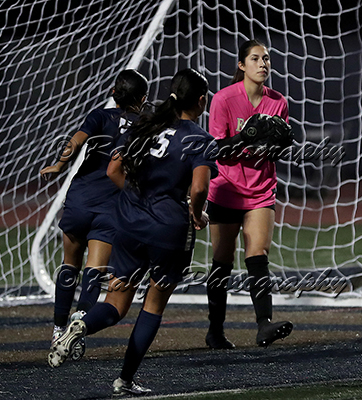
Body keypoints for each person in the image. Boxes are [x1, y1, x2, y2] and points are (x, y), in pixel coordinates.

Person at [48, 68, 217, 397]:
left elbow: (114, 169)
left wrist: (137, 199)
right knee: (153, 305)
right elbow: (199, 188)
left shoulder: (145, 125)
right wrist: (196, 214)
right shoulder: (199, 138)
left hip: (128, 222)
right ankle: (124, 380)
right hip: (168, 229)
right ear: (200, 101)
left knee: (116, 302)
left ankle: (80, 325)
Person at [40, 69, 148, 359]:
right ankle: (77, 330)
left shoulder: (100, 115)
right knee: (94, 271)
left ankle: (57, 330)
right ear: (143, 98)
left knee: (69, 265)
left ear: (114, 93)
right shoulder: (145, 126)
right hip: (112, 206)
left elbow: (75, 141)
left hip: (80, 199)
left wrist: (59, 165)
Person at [204, 39, 293, 350]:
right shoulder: (223, 99)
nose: (263, 63)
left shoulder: (278, 102)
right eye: (255, 58)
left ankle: (264, 324)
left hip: (261, 189)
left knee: (258, 254)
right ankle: (215, 330)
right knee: (222, 260)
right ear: (241, 65)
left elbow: (276, 150)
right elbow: (215, 149)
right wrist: (245, 136)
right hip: (226, 189)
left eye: (266, 58)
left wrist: (281, 143)